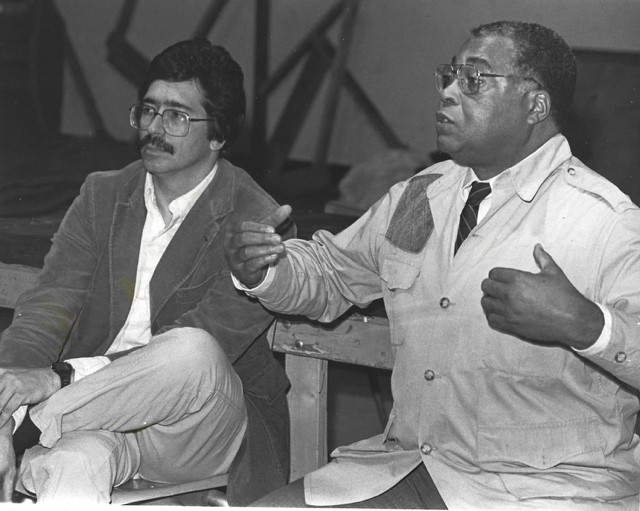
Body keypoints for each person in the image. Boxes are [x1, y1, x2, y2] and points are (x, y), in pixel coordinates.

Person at [225, 20, 640, 509]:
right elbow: (332, 273)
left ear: (536, 105)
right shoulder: (423, 198)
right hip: (414, 466)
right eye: (449, 74)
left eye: (474, 79)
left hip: (549, 488)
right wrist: (265, 269)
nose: (447, 92)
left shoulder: (606, 221)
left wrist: (586, 324)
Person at [0, 38, 293, 505]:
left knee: (191, 349)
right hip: (93, 417)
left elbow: (202, 346)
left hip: (193, 427)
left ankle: (27, 427)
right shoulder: (102, 195)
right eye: (149, 111)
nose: (155, 128)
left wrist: (52, 384)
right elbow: (47, 308)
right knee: (70, 468)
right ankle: (24, 428)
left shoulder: (257, 220)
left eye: (177, 115)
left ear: (218, 134)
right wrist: (7, 393)